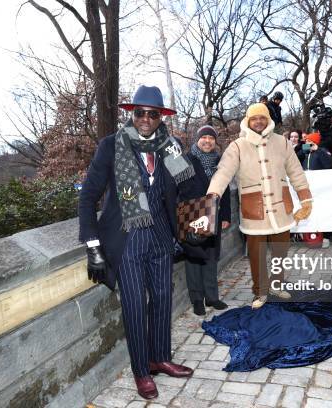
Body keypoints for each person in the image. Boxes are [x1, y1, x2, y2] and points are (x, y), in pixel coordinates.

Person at [78, 85, 194, 400]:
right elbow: (88, 198)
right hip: (127, 238)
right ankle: (141, 371)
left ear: (161, 117)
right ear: (132, 114)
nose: (145, 118)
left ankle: (161, 358)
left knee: (162, 298)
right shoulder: (111, 146)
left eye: (152, 113)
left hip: (160, 236)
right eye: (139, 112)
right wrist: (92, 247)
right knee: (134, 306)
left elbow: (190, 186)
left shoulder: (169, 146)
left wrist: (180, 157)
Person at [205, 103, 313, 309]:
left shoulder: (282, 142)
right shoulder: (237, 146)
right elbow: (224, 172)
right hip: (253, 211)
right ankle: (260, 291)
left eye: (262, 118)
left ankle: (277, 285)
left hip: (281, 208)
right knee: (257, 255)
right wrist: (213, 194)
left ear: (268, 119)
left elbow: (296, 172)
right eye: (254, 118)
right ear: (248, 121)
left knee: (280, 251)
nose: (258, 122)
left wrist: (305, 198)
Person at [179, 125, 231, 316]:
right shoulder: (185, 160)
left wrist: (226, 215)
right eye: (204, 138)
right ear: (197, 139)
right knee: (193, 258)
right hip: (192, 216)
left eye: (211, 138)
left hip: (214, 215)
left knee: (211, 257)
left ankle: (212, 297)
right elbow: (176, 188)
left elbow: (224, 189)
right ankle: (197, 300)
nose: (208, 141)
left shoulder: (219, 161)